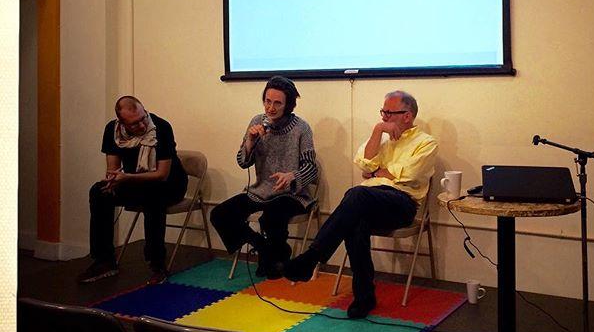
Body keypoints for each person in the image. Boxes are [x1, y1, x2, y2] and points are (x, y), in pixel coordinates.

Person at [284, 90, 438, 318]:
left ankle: (312, 257)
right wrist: (377, 132)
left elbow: (409, 174)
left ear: (407, 115)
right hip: (370, 200)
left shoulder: (426, 142)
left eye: (389, 112)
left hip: (402, 203)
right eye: (382, 112)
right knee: (356, 220)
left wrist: (379, 171)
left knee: (356, 195)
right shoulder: (381, 136)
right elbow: (364, 164)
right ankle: (364, 297)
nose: (384, 117)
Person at [210, 76, 318, 279]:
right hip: (261, 189)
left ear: (289, 105)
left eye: (277, 103)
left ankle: (273, 257)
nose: (271, 108)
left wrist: (292, 175)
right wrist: (250, 141)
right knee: (219, 214)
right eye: (267, 101)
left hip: (292, 194)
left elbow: (312, 169)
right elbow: (243, 162)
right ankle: (262, 247)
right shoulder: (257, 122)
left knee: (271, 217)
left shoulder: (301, 128)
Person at [77, 96, 188, 285]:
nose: (142, 125)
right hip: (135, 181)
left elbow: (161, 174)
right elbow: (112, 168)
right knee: (99, 191)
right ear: (122, 123)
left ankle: (157, 263)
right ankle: (104, 260)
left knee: (153, 197)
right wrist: (113, 181)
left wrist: (127, 178)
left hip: (169, 183)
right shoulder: (112, 131)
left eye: (143, 118)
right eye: (135, 124)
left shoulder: (161, 127)